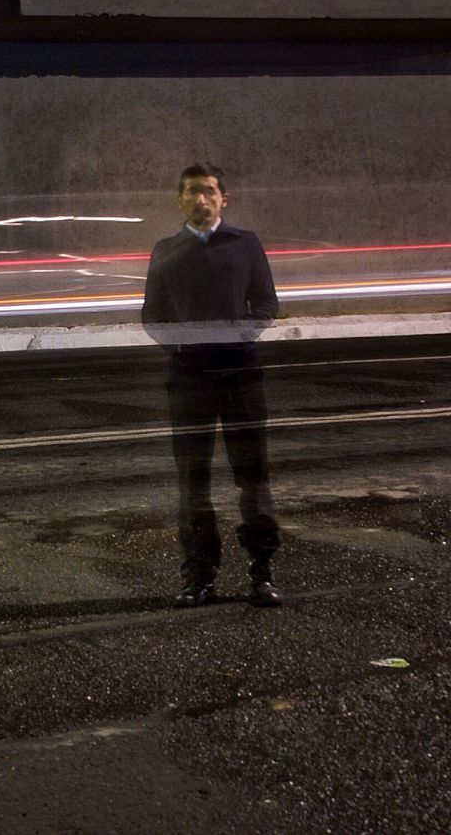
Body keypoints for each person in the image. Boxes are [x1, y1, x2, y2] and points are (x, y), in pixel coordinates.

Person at [141, 163, 283, 608]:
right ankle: (199, 578)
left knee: (253, 479)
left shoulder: (245, 244)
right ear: (178, 200)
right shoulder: (166, 249)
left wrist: (235, 337)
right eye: (190, 192)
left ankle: (262, 572)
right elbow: (152, 316)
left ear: (224, 198)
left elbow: (266, 304)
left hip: (241, 376)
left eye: (208, 191)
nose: (200, 199)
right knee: (193, 484)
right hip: (188, 380)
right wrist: (182, 347)